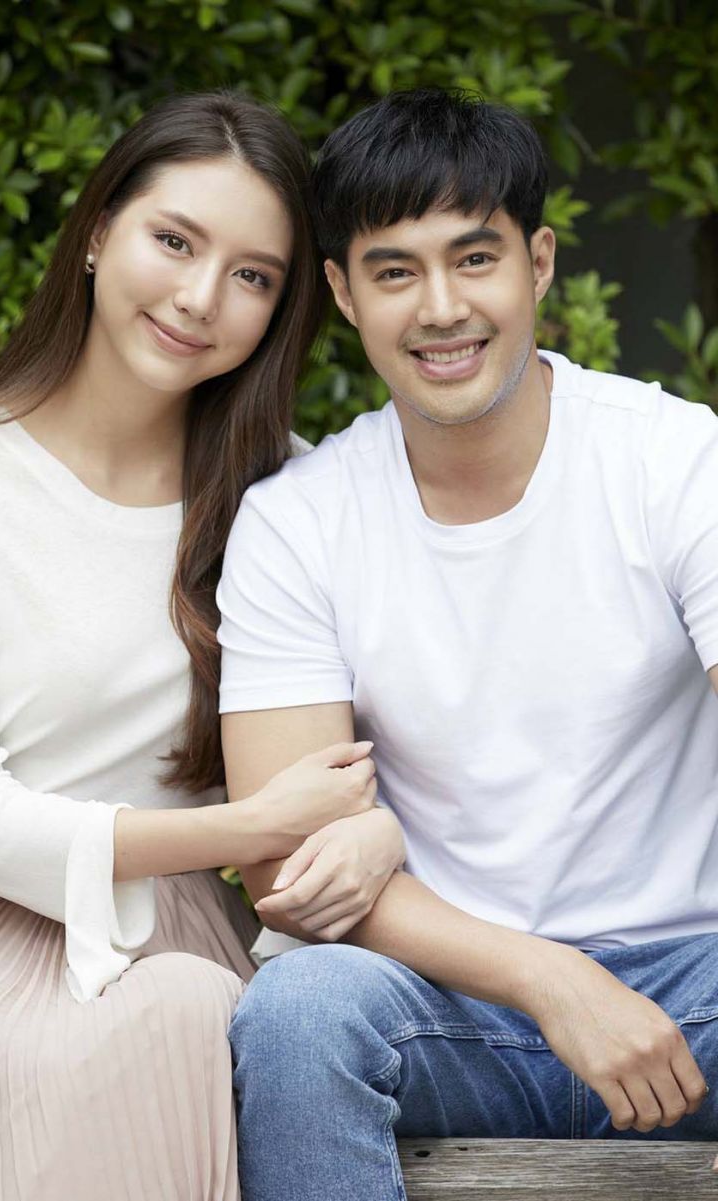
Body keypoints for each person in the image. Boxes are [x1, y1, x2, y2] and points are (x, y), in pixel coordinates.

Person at [217, 87, 718, 1201]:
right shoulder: (299, 521)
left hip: (695, 984)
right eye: (394, 271)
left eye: (473, 257)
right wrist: (550, 979)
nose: (440, 308)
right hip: (445, 1001)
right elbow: (287, 859)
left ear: (537, 263)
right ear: (343, 292)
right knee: (299, 1013)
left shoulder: (675, 462)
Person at [0, 90, 404, 1201]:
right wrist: (252, 826)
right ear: (98, 233)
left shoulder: (290, 495)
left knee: (194, 1008)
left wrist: (375, 829)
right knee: (176, 1015)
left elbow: (392, 743)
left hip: (186, 940)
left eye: (252, 275)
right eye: (174, 241)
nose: (199, 297)